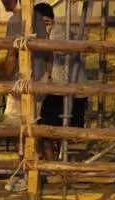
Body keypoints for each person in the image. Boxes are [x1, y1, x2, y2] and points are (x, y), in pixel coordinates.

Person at [1, 0, 49, 192]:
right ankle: (32, 174)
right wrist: (47, 75)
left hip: (21, 83)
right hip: (39, 80)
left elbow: (12, 54)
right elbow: (49, 51)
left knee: (18, 131)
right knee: (32, 128)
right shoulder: (38, 17)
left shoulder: (15, 20)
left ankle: (26, 174)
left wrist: (6, 76)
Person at [34, 2, 87, 161]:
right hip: (61, 90)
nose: (44, 27)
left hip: (63, 91)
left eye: (46, 22)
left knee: (47, 129)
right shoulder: (48, 33)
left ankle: (53, 163)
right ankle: (52, 162)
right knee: (47, 130)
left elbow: (56, 65)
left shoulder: (58, 32)